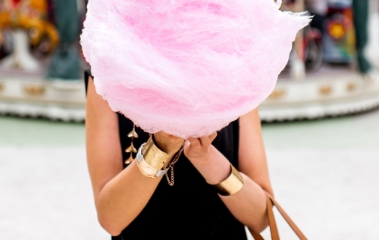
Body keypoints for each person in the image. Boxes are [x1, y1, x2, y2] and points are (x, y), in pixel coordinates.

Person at [85, 72, 273, 239]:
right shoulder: (108, 77)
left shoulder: (237, 76)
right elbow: (111, 219)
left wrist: (205, 157)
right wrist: (159, 149)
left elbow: (262, 217)